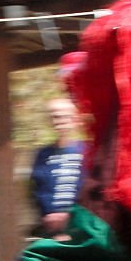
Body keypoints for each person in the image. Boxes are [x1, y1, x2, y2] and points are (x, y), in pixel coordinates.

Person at [30, 98, 86, 239]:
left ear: (75, 119)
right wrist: (48, 215)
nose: (59, 121)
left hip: (82, 227)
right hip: (50, 229)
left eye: (64, 116)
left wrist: (73, 217)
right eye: (54, 116)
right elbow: (37, 188)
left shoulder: (87, 151)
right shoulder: (43, 155)